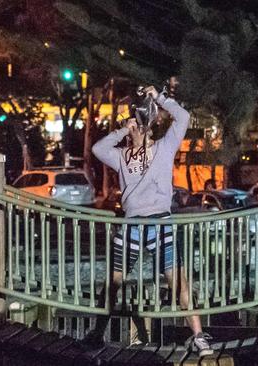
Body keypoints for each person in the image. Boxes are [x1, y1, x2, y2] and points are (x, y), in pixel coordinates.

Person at [88, 86, 213, 356]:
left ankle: (199, 336)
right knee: (114, 283)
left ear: (146, 126)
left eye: (135, 124)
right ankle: (97, 333)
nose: (133, 128)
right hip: (132, 224)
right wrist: (123, 129)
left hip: (159, 222)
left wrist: (159, 97)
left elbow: (183, 117)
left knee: (178, 282)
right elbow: (98, 148)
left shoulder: (164, 148)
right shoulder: (122, 156)